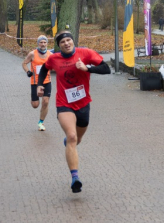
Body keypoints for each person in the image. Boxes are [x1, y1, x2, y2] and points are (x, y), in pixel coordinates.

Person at [37, 30, 111, 193]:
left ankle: (72, 142)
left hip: (84, 104)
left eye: (69, 40)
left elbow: (107, 69)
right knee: (71, 136)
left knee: (77, 138)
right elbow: (44, 69)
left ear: (73, 41)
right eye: (62, 42)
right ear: (59, 45)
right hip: (64, 104)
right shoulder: (54, 58)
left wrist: (87, 68)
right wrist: (40, 84)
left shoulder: (85, 53)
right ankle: (75, 178)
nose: (66, 43)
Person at [22, 35, 52, 131]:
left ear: (47, 43)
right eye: (41, 42)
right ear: (38, 43)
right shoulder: (32, 54)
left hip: (47, 81)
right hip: (35, 82)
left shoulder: (50, 55)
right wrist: (28, 71)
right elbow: (24, 63)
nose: (43, 44)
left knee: (45, 102)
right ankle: (35, 101)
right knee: (35, 105)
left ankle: (41, 122)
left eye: (44, 42)